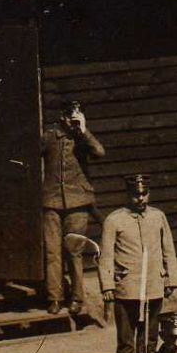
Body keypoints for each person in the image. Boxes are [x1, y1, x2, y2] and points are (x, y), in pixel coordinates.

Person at [99, 173, 177, 353]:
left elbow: (168, 249)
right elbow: (106, 255)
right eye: (136, 195)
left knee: (150, 334)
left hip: (153, 285)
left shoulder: (158, 216)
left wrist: (171, 279)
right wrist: (107, 286)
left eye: (144, 194)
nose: (140, 199)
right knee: (126, 337)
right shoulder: (114, 220)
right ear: (128, 195)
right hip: (127, 287)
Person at [40, 100, 105, 316]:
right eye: (69, 114)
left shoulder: (83, 138)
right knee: (52, 252)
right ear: (61, 116)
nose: (72, 119)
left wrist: (84, 131)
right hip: (51, 202)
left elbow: (99, 152)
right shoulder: (49, 136)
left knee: (74, 251)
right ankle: (55, 298)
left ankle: (77, 299)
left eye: (76, 114)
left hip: (78, 203)